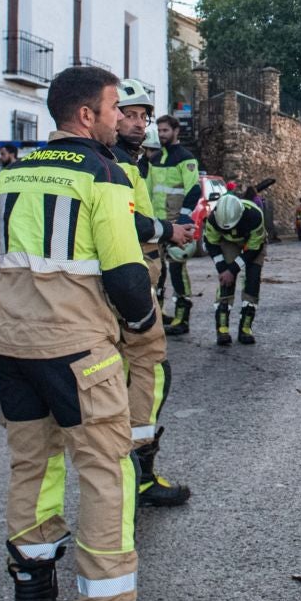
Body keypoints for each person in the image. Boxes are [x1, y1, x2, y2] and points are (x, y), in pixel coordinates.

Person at [0, 65, 178, 601]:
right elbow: (125, 277)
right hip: (76, 349)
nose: (120, 116)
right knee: (107, 471)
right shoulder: (105, 176)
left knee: (33, 470)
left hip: (10, 346)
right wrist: (146, 324)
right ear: (88, 115)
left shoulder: (11, 173)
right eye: (113, 106)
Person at [111, 79, 195, 509]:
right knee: (151, 366)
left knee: (128, 368)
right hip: (130, 273)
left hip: (139, 268)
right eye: (131, 114)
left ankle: (127, 470)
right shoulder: (117, 165)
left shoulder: (133, 160)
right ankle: (139, 472)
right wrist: (168, 230)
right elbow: (126, 221)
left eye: (144, 116)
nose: (140, 123)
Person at [148, 114, 202, 336]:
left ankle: (183, 317)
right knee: (156, 273)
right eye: (159, 131)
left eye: (165, 131)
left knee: (177, 270)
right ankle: (158, 314)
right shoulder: (155, 158)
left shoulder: (186, 158)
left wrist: (183, 219)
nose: (161, 135)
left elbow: (194, 190)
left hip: (175, 223)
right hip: (156, 225)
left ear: (176, 131)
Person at [204, 193, 266, 347]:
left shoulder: (255, 216)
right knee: (226, 282)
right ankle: (222, 328)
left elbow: (253, 249)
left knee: (252, 279)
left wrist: (233, 269)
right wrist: (223, 269)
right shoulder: (213, 219)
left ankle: (245, 327)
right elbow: (211, 243)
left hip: (253, 244)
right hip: (228, 242)